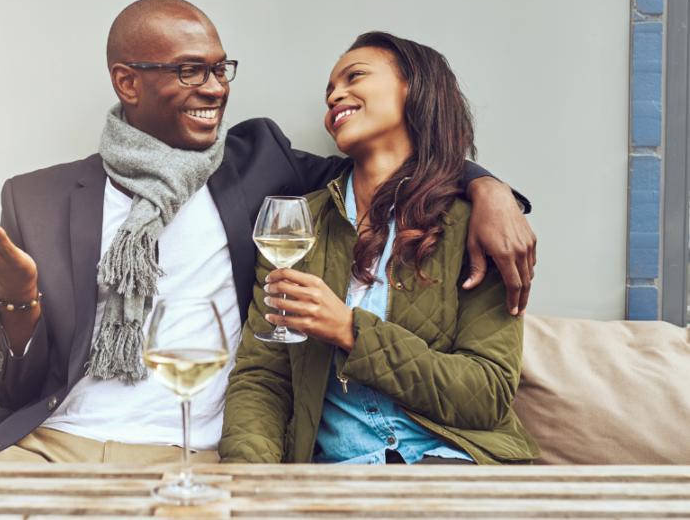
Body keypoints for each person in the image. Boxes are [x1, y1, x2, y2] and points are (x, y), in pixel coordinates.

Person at [0, 0, 537, 463]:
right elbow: (9, 388)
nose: (217, 87)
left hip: (191, 450)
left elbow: (396, 169)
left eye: (220, 69)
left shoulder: (264, 168)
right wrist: (18, 297)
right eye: (191, 70)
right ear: (128, 83)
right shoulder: (37, 198)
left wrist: (490, 188)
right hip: (53, 440)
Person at [219, 31, 540, 465]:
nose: (335, 95)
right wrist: (250, 484)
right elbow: (263, 378)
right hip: (339, 480)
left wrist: (350, 331)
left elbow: (486, 395)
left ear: (415, 88)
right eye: (329, 90)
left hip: (455, 466)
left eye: (355, 76)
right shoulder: (300, 226)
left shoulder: (475, 225)